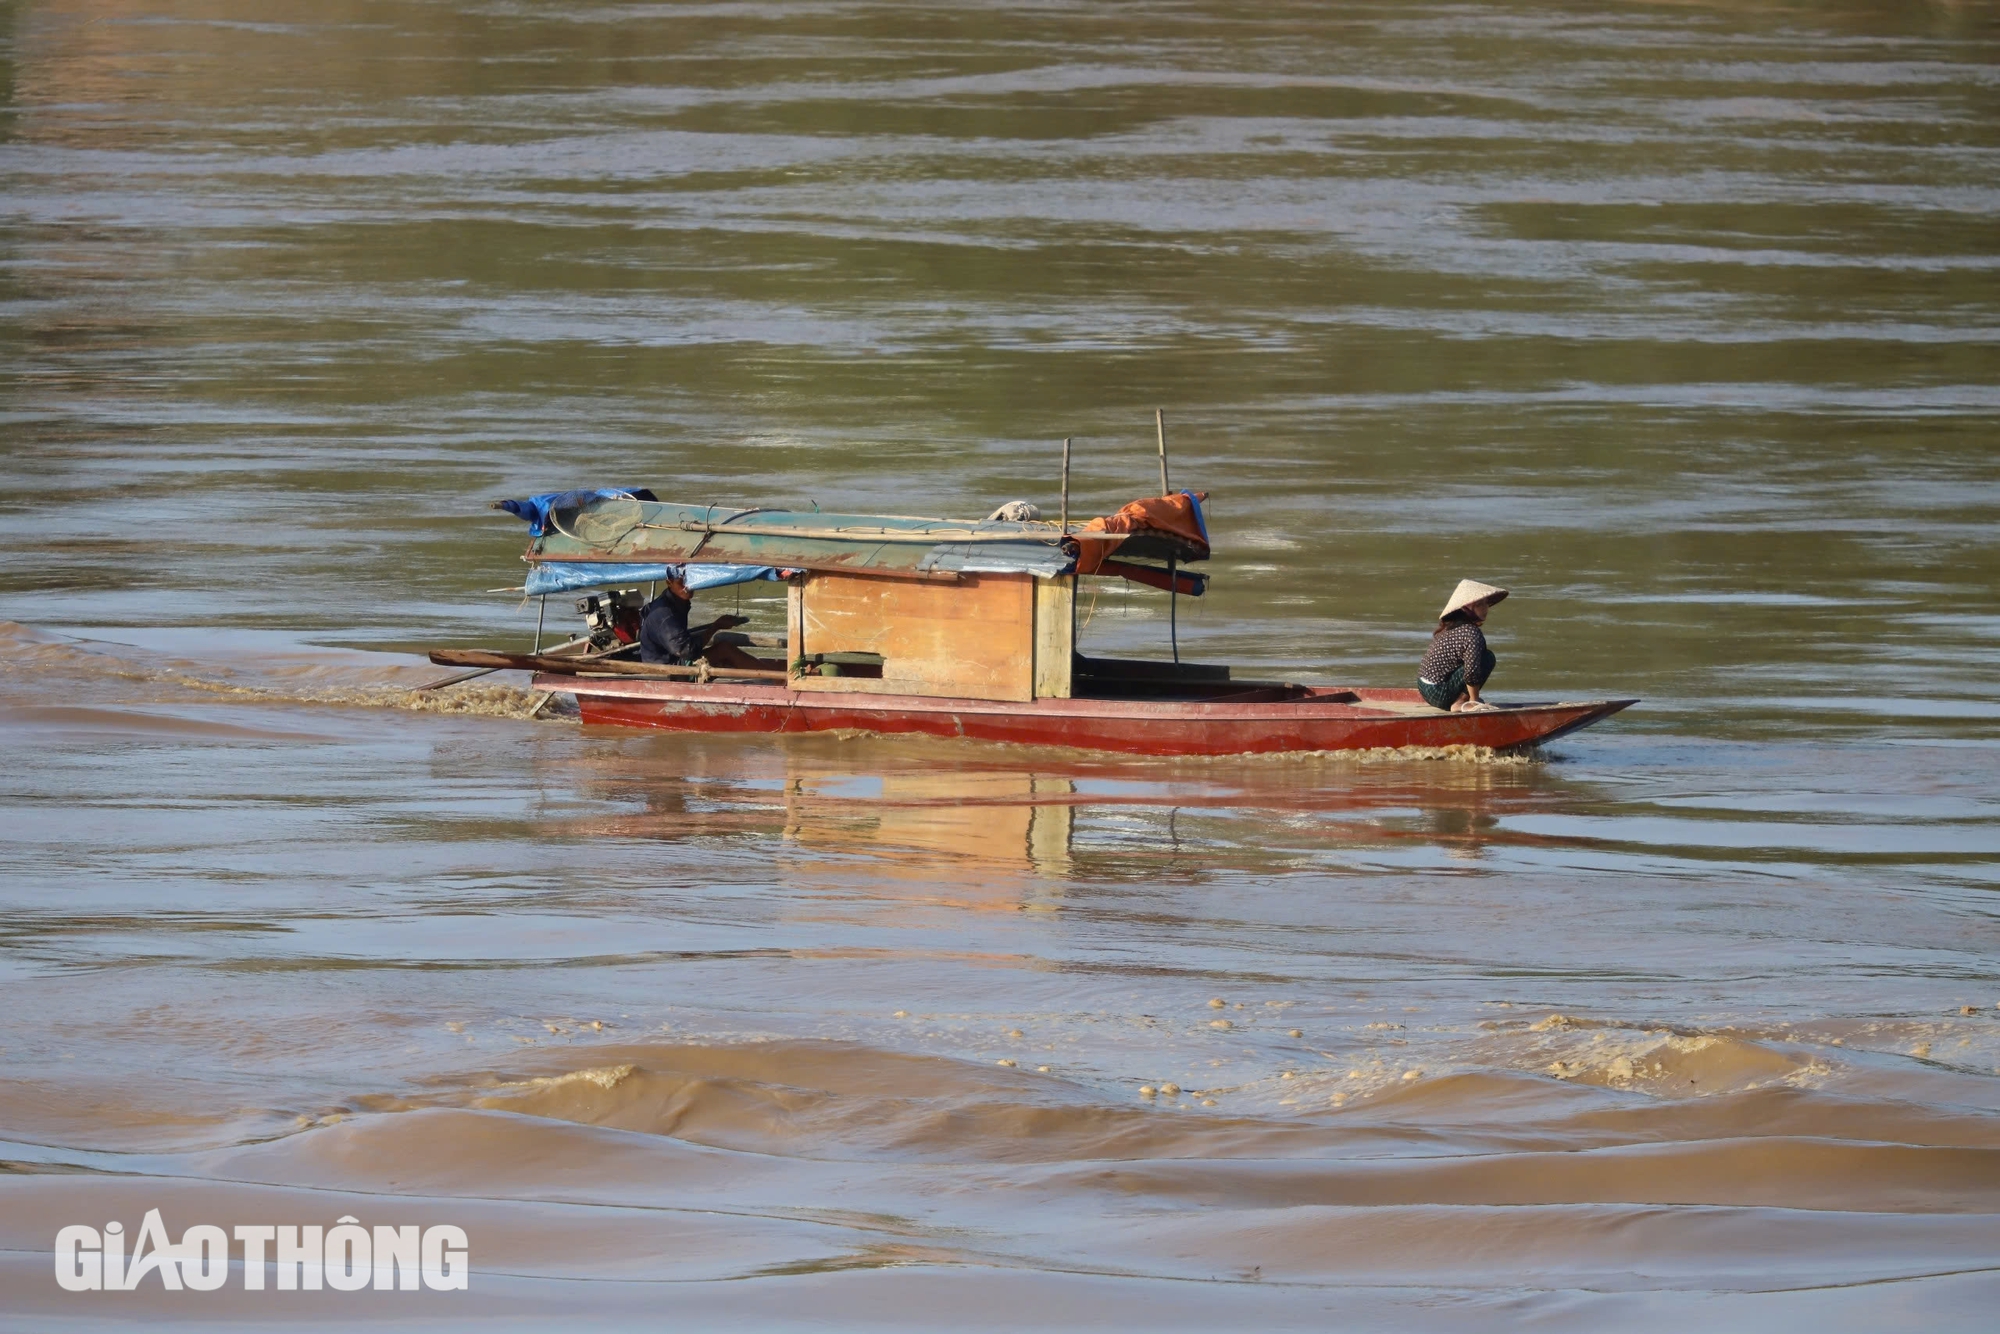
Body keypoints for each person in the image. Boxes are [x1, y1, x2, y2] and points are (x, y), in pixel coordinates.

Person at [1419, 579, 1507, 712]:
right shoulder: (1471, 632)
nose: (1486, 608)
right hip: (1438, 691)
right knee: (1487, 658)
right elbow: (1472, 672)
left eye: (1486, 603)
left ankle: (1461, 700)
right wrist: (1474, 700)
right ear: (1467, 608)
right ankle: (1460, 702)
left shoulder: (1450, 628)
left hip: (1424, 687)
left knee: (1478, 659)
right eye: (1480, 604)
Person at [637, 569, 755, 669]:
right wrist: (715, 627)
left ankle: (769, 671)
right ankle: (771, 678)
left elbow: (683, 642)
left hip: (671, 660)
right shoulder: (665, 614)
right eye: (681, 582)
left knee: (728, 657)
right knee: (724, 650)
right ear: (669, 582)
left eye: (690, 581)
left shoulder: (678, 603)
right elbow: (687, 651)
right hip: (664, 670)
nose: (687, 586)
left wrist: (716, 625)